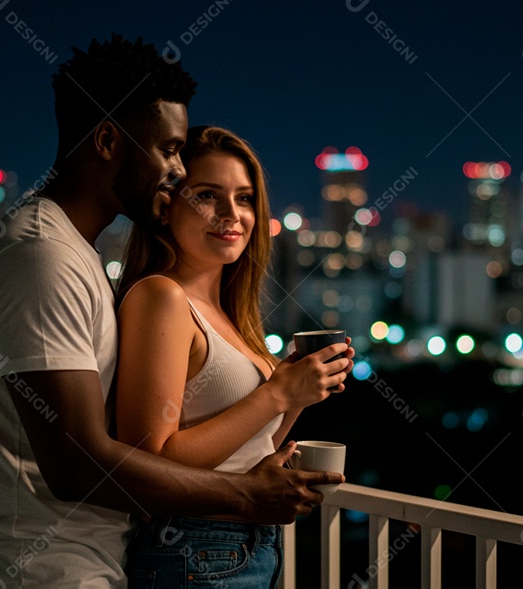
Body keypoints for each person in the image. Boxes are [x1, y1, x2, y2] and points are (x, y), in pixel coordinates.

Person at [0, 36, 344, 589]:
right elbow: (76, 462)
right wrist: (244, 494)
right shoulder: (40, 258)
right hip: (34, 570)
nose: (176, 171)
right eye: (170, 150)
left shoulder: (73, 254)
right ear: (108, 140)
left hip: (86, 561)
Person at [114, 125, 355, 588]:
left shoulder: (230, 315)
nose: (231, 214)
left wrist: (296, 392)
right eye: (207, 195)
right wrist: (275, 395)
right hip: (191, 548)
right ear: (166, 206)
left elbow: (246, 449)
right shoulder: (161, 297)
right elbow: (151, 456)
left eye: (244, 198)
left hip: (247, 545)